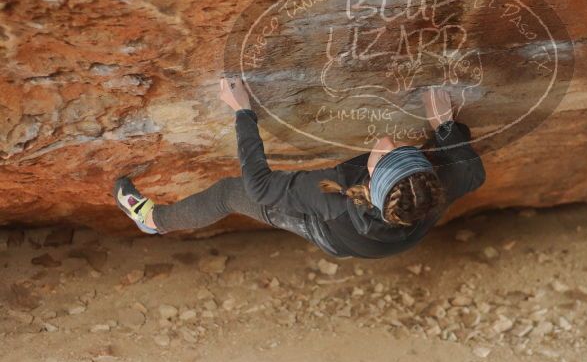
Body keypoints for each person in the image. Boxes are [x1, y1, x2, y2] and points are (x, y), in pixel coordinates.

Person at [114, 76, 485, 259]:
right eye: (405, 151)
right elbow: (471, 170)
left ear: (370, 181)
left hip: (337, 237)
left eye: (385, 157)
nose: (387, 141)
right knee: (434, 152)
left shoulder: (333, 195)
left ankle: (152, 220)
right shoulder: (446, 182)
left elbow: (259, 187)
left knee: (230, 192)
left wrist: (243, 111)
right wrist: (445, 127)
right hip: (395, 235)